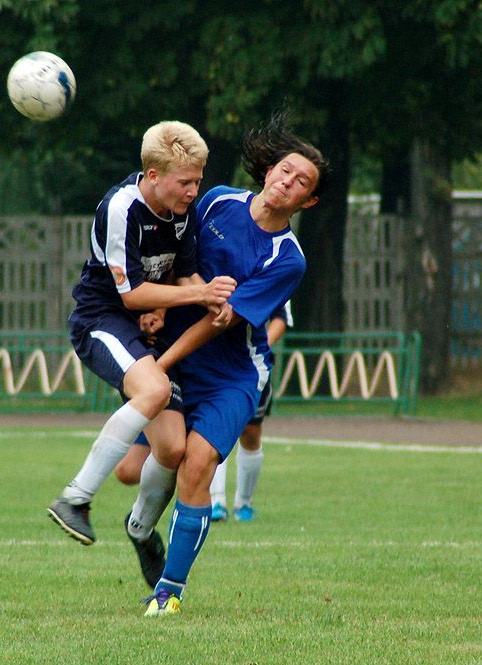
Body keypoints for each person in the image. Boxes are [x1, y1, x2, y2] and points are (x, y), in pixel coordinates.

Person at [125, 113, 329, 616]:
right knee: (131, 472)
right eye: (285, 170)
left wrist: (159, 365)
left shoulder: (287, 258)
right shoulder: (217, 200)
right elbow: (173, 259)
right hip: (172, 355)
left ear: (308, 201)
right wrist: (155, 311)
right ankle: (140, 530)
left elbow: (220, 321)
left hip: (230, 376)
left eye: (302, 182)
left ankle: (168, 593)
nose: (288, 181)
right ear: (269, 171)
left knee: (197, 465)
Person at [46, 121, 237, 546]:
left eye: (198, 181)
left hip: (144, 329)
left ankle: (141, 529)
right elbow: (130, 295)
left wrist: (210, 300)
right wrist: (197, 294)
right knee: (154, 390)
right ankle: (74, 499)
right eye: (185, 182)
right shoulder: (121, 208)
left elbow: (184, 273)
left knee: (171, 449)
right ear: (153, 175)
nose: (193, 191)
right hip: (101, 320)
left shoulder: (182, 213)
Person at [113, 303, 291, 525]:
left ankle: (235, 503)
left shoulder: (265, 279)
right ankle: (150, 511)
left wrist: (260, 346)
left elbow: (280, 317)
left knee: (239, 434)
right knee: (128, 471)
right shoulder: (185, 284)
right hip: (183, 367)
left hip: (238, 369)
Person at [210, 302, 291, 522]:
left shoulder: (272, 277)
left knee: (251, 432)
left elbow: (281, 317)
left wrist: (260, 346)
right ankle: (216, 501)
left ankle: (243, 503)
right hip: (214, 361)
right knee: (215, 427)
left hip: (252, 366)